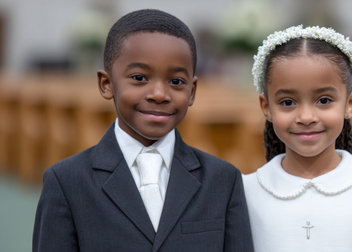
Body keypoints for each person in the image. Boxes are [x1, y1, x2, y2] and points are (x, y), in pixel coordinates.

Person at [33, 9, 254, 252]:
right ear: (106, 84)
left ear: (192, 92)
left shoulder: (223, 179)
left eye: (176, 82)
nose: (159, 94)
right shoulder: (66, 181)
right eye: (139, 77)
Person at [243, 25, 352, 252]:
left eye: (324, 100)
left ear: (350, 103)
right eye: (288, 102)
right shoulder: (245, 191)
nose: (306, 117)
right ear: (266, 107)